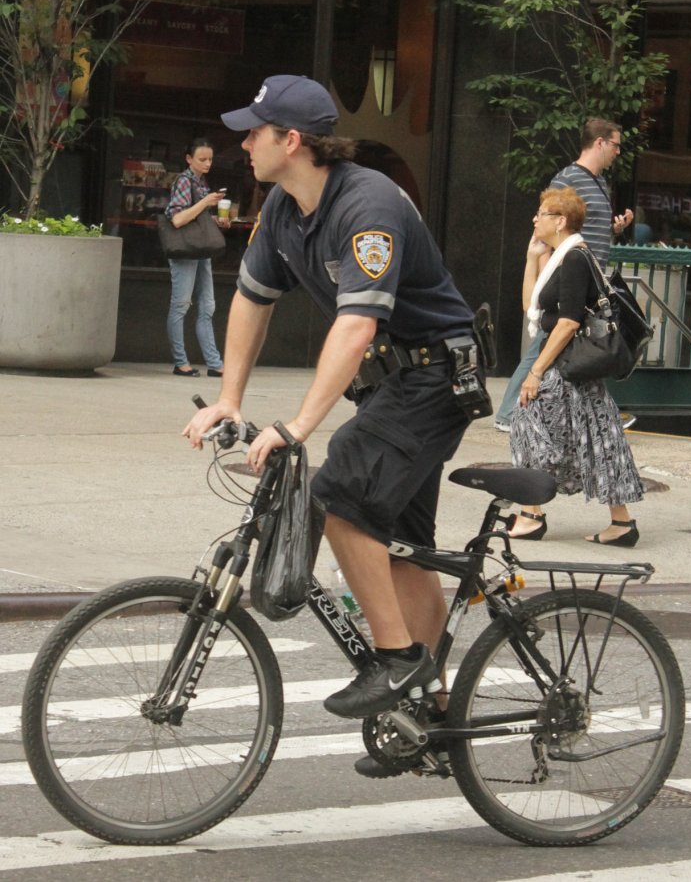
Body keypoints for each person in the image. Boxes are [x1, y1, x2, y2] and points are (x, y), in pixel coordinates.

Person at [182, 76, 479, 735]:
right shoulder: (286, 210)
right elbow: (251, 301)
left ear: (292, 140)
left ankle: (396, 657)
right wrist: (230, 398)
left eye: (254, 130)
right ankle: (430, 717)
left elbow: (356, 328)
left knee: (341, 490)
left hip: (434, 377)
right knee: (403, 549)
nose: (244, 141)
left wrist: (296, 426)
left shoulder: (366, 205)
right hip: (392, 385)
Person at [507, 186, 644, 545]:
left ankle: (531, 513)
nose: (535, 218)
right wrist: (529, 258)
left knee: (526, 419)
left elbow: (567, 323)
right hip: (573, 367)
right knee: (599, 437)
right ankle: (622, 524)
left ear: (561, 221)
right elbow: (531, 309)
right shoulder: (558, 258)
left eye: (542, 213)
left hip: (568, 364)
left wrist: (535, 372)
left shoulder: (575, 259)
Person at [494, 118, 634, 432]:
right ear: (599, 142)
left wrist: (614, 228)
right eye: (615, 145)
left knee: (578, 342)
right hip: (569, 274)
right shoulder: (567, 179)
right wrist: (546, 278)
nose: (618, 152)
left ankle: (594, 411)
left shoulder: (599, 182)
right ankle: (509, 413)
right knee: (553, 341)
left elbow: (582, 225)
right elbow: (547, 227)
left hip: (587, 276)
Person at [165, 137, 227, 377]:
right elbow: (178, 219)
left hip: (201, 249)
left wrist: (216, 219)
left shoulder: (201, 183)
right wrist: (205, 202)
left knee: (207, 306)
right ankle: (181, 362)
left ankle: (215, 363)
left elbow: (195, 220)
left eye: (210, 159)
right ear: (189, 159)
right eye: (202, 159)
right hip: (186, 251)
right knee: (181, 305)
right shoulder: (183, 182)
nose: (207, 164)